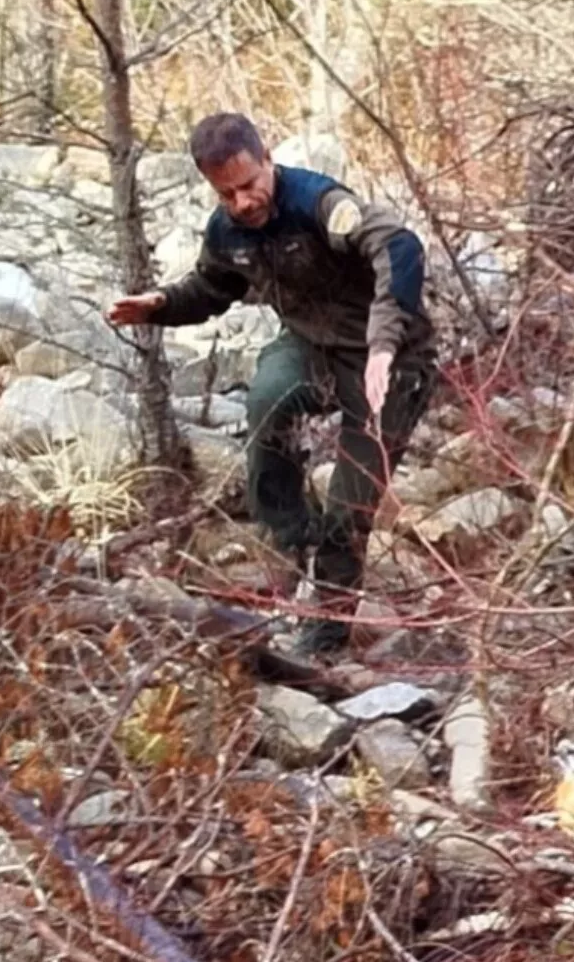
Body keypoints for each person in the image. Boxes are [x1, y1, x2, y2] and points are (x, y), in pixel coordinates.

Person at [107, 113, 439, 658]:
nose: (242, 202)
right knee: (267, 400)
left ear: (267, 160)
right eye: (226, 193)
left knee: (351, 502)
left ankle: (325, 630)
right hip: (312, 345)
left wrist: (383, 344)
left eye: (249, 185)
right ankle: (296, 537)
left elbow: (399, 247)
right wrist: (161, 306)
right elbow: (212, 288)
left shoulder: (321, 203)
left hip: (392, 359)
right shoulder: (227, 229)